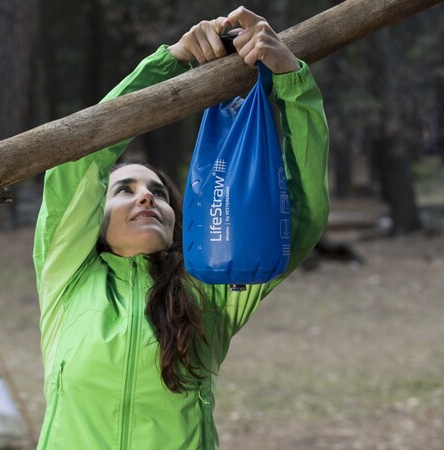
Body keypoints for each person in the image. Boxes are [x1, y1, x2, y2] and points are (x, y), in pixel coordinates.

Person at [32, 6, 329, 450]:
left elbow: (297, 214)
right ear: (92, 222)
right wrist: (168, 61)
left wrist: (291, 82)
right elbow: (80, 160)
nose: (146, 196)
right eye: (124, 190)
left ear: (178, 222)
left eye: (159, 192)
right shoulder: (66, 278)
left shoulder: (211, 287)